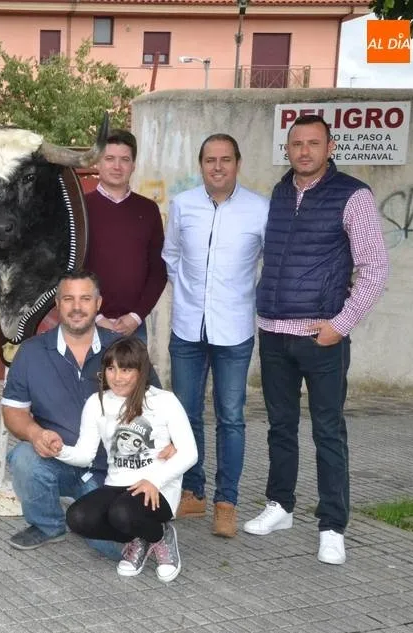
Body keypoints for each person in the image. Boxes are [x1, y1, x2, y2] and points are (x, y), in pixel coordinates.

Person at [244, 114, 389, 565]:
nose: (303, 151)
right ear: (287, 149)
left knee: (328, 431)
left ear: (330, 147)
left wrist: (340, 325)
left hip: (321, 336)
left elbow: (375, 267)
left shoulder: (353, 195)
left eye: (313, 143)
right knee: (280, 427)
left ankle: (331, 525)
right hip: (273, 332)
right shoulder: (280, 192)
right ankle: (281, 506)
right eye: (296, 144)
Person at [1, 270, 171, 555]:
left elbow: (159, 407)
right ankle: (47, 525)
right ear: (57, 304)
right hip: (61, 458)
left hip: (115, 472)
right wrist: (36, 433)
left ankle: (156, 530)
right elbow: (13, 412)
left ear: (98, 303)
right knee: (24, 459)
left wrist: (166, 451)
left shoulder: (123, 350)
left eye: (85, 299)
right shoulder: (31, 352)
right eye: (68, 299)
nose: (76, 307)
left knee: (113, 549)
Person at [162, 134, 269, 538]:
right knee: (186, 416)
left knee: (231, 418)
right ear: (201, 164)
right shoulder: (184, 205)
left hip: (235, 330)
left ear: (238, 163)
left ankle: (227, 502)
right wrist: (186, 292)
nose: (217, 167)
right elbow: (170, 256)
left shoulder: (259, 209)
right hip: (187, 327)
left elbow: (268, 263)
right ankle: (193, 491)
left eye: (225, 159)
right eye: (210, 160)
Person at [59, 338, 197, 583]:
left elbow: (189, 452)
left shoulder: (164, 401)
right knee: (78, 517)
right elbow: (85, 455)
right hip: (117, 484)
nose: (117, 377)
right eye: (111, 369)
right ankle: (139, 538)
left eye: (126, 369)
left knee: (122, 513)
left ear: (141, 371)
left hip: (159, 488)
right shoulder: (97, 402)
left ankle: (161, 535)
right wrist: (57, 449)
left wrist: (154, 480)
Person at [83, 130, 167, 344]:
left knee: (132, 379)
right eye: (109, 159)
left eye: (125, 160)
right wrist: (96, 316)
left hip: (133, 328)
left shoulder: (148, 210)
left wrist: (136, 316)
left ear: (133, 166)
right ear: (97, 164)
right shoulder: (80, 208)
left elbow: (158, 271)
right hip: (86, 324)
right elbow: (68, 269)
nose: (117, 166)